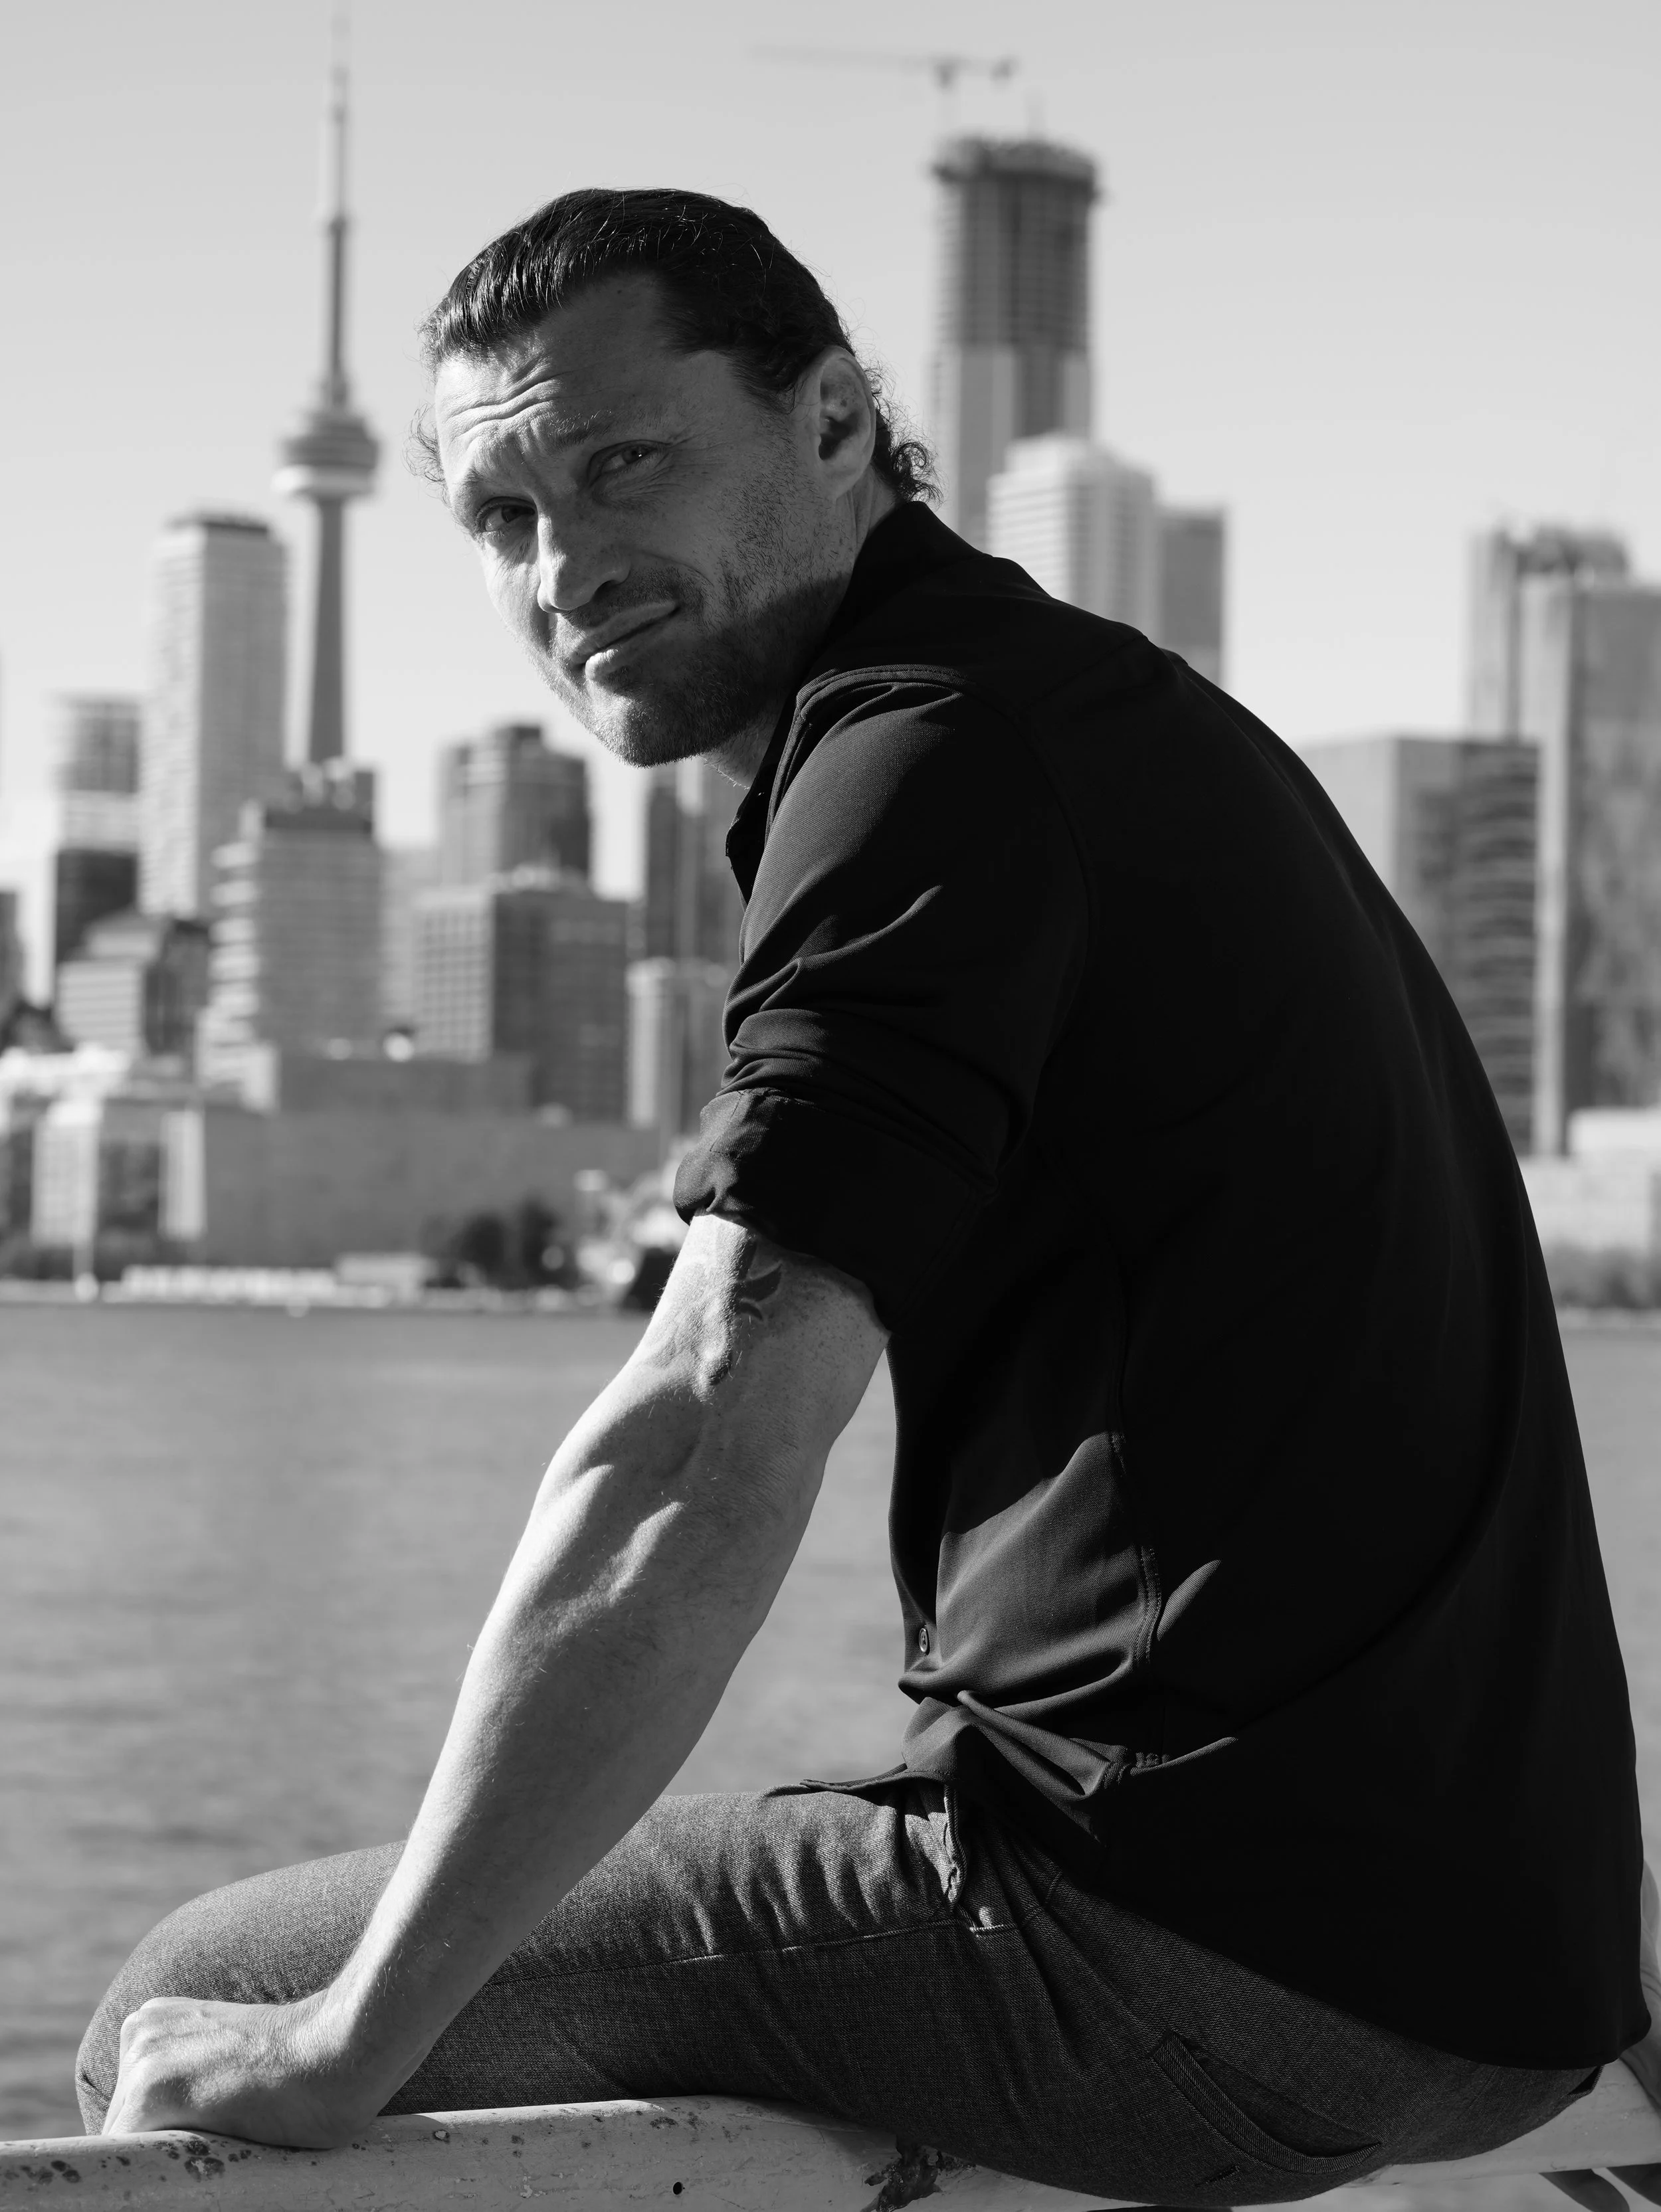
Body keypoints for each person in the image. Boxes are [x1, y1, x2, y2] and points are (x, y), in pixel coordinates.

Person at [78, 189, 1656, 2209]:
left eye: (622, 463)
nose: (565, 568)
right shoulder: (1117, 720)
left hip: (1197, 1960)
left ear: (833, 420)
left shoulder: (929, 758)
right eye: (502, 515)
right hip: (1504, 1988)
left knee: (196, 1996)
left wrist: (337, 2047)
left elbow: (699, 1435)